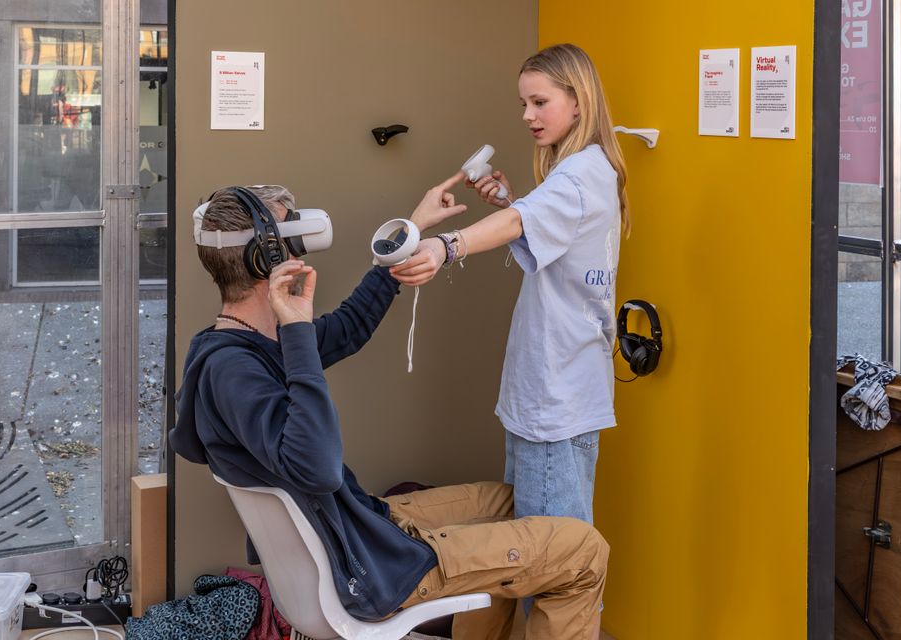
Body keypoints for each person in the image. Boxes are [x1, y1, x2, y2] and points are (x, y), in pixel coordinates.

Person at [170, 183, 609, 640]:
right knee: (583, 550)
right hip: (369, 565)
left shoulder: (242, 345)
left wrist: (411, 231)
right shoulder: (236, 370)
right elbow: (317, 468)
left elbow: (350, 327)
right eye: (291, 236)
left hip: (357, 528)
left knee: (516, 501)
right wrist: (297, 330)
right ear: (267, 257)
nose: (300, 246)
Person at [391, 43, 629, 527]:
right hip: (560, 391)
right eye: (524, 103)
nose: (527, 115)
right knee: (542, 547)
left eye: (540, 102)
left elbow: (522, 222)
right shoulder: (588, 169)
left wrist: (444, 246)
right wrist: (513, 201)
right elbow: (536, 221)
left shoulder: (579, 174)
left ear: (578, 100)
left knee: (546, 557)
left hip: (555, 398)